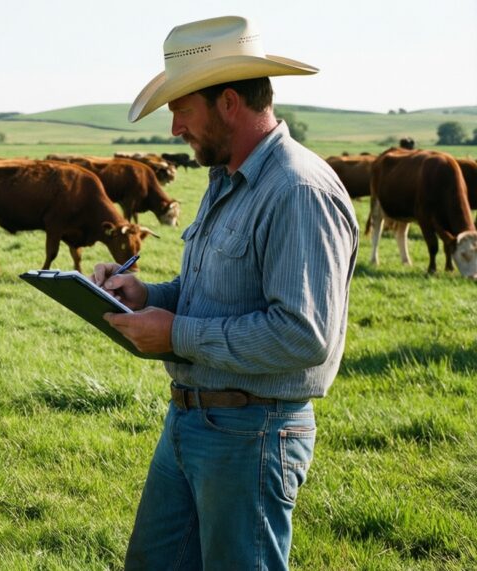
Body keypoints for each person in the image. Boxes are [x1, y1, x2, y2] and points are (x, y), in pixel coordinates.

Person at [91, 16, 359, 570]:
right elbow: (211, 292)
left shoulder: (296, 190)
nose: (174, 129)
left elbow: (303, 336)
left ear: (229, 102)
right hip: (190, 422)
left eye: (181, 109)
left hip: (252, 435)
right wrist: (147, 296)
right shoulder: (225, 181)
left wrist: (175, 332)